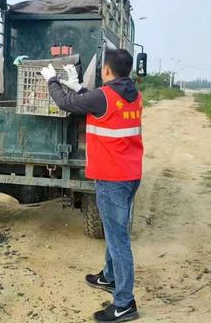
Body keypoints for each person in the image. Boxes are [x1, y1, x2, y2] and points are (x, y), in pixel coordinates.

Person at [41, 49, 143, 322]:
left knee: (118, 239)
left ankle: (125, 303)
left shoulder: (104, 97)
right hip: (131, 175)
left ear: (107, 71)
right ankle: (109, 277)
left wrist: (52, 80)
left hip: (112, 178)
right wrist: (80, 87)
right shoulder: (133, 94)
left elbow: (66, 103)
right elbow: (98, 102)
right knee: (114, 231)